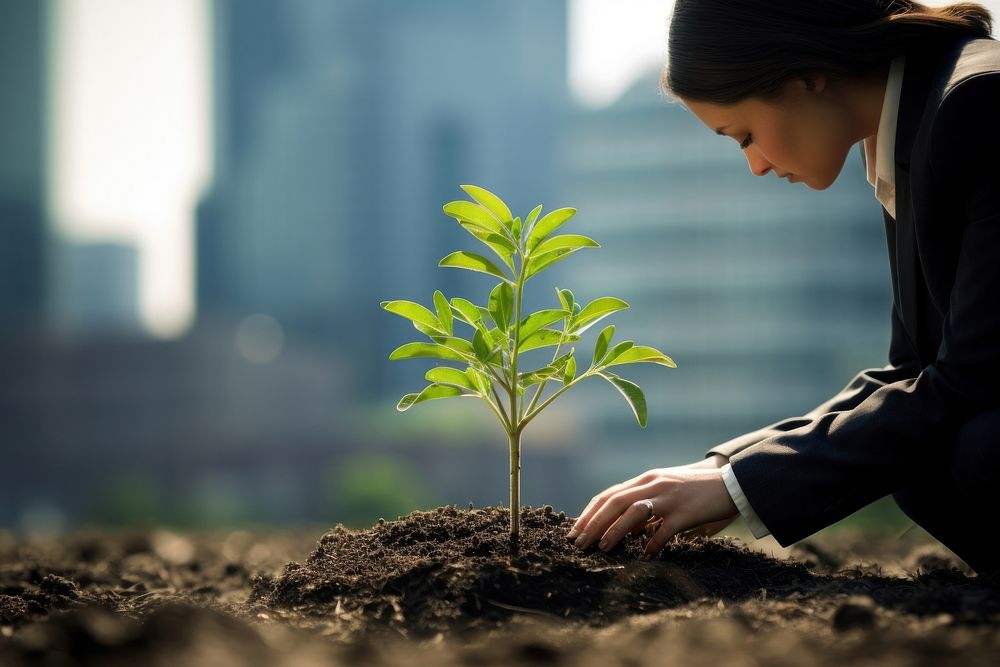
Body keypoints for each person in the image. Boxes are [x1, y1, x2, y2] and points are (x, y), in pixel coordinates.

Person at [567, 0, 1000, 575]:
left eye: (743, 134)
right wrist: (729, 468)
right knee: (917, 455)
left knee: (977, 448)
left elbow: (971, 380)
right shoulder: (922, 118)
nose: (756, 165)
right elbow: (914, 373)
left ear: (807, 76)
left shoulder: (973, 107)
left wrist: (736, 484)